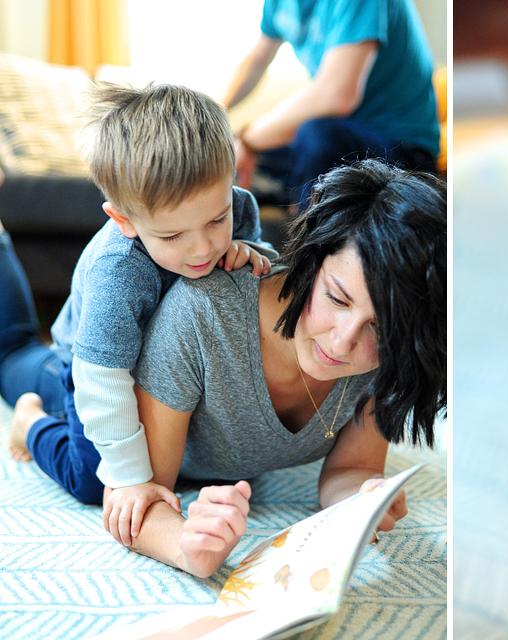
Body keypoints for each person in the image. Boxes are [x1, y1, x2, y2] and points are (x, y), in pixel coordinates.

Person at [70, 159, 443, 578]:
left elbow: (350, 468)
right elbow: (133, 499)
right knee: (50, 413)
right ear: (311, 261)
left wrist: (363, 500)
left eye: (380, 327)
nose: (343, 343)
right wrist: (186, 547)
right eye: (337, 300)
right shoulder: (203, 313)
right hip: (87, 376)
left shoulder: (389, 356)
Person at [0, 82, 272, 540]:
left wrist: (250, 248)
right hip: (89, 365)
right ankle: (30, 422)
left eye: (215, 220)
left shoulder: (236, 205)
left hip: (156, 366)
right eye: (172, 236)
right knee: (96, 481)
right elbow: (102, 382)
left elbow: (258, 257)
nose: (203, 247)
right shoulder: (119, 271)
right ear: (123, 220)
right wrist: (131, 480)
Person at [224, 0, 440, 210]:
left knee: (315, 134)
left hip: (401, 150)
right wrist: (215, 115)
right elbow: (258, 60)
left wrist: (248, 141)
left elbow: (337, 95)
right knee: (221, 153)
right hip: (344, 140)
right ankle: (293, 195)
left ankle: (311, 241)